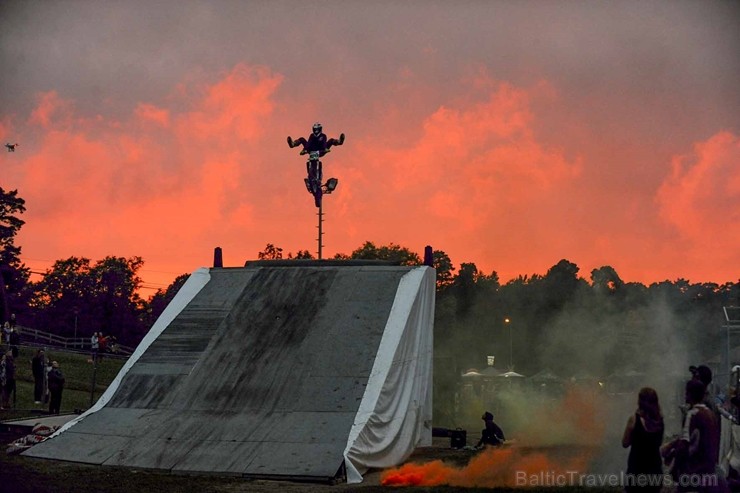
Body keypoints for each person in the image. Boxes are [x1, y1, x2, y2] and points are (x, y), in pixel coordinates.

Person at [662, 379, 722, 491]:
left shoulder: (692, 414)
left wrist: (671, 457)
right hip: (708, 470)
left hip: (693, 471)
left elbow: (684, 444)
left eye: (686, 392)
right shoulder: (710, 414)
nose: (685, 395)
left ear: (689, 394)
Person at [622, 387, 665, 492]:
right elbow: (659, 442)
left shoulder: (634, 420)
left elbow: (625, 443)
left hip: (637, 470)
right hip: (655, 470)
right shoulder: (660, 421)